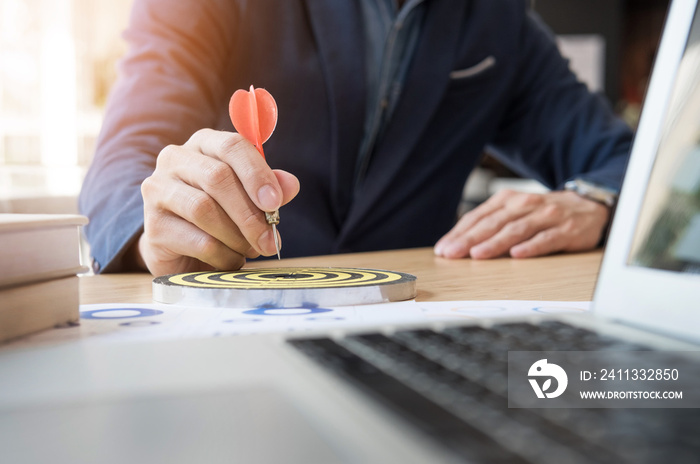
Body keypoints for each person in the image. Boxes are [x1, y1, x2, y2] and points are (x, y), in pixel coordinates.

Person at [79, 0, 632, 276]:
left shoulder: (497, 20)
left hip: (418, 328)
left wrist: (596, 200)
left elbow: (623, 157)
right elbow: (124, 159)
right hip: (241, 310)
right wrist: (156, 231)